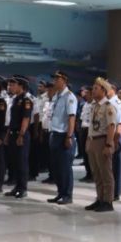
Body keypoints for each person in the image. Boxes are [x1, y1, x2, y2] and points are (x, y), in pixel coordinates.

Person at [85, 78, 118, 213]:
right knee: (97, 173)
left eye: (96, 88)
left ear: (104, 91)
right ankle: (100, 199)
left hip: (102, 141)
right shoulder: (94, 105)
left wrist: (109, 144)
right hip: (93, 140)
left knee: (106, 173)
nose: (93, 91)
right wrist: (88, 140)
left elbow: (111, 126)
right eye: (93, 88)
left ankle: (108, 201)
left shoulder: (108, 106)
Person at [47, 70, 78, 205]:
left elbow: (71, 118)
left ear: (64, 81)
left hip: (64, 135)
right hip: (54, 134)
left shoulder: (69, 97)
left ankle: (67, 195)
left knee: (65, 167)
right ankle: (60, 193)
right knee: (56, 167)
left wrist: (69, 136)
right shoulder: (57, 96)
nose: (54, 81)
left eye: (57, 79)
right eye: (54, 79)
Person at [5, 76, 34, 199]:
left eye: (13, 85)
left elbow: (26, 119)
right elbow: (12, 120)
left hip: (20, 135)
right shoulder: (15, 99)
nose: (10, 87)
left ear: (21, 86)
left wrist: (21, 135)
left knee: (22, 163)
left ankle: (23, 188)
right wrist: (8, 135)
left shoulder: (26, 100)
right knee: (15, 162)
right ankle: (17, 187)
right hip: (13, 133)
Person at [79, 86, 94, 182]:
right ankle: (88, 173)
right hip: (83, 129)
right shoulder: (85, 104)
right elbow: (82, 118)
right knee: (84, 153)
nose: (85, 94)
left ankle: (93, 174)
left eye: (87, 93)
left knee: (90, 153)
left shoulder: (95, 105)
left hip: (90, 130)